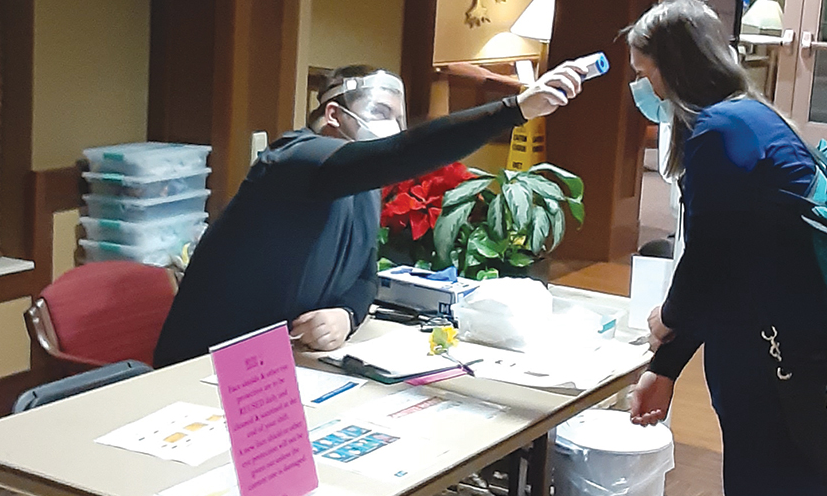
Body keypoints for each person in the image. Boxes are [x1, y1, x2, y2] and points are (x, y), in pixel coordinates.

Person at [624, 0, 827, 496]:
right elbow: (731, 261)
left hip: (786, 382)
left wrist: (666, 326)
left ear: (674, 66)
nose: (644, 88)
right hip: (803, 370)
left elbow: (711, 262)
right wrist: (668, 364)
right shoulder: (756, 117)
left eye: (645, 72)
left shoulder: (719, 133)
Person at [153, 62, 585, 367]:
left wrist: (346, 315)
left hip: (289, 362)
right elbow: (398, 154)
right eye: (381, 113)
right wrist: (515, 109)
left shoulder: (363, 187)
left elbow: (364, 277)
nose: (393, 129)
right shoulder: (296, 161)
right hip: (207, 365)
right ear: (334, 115)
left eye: (399, 119)